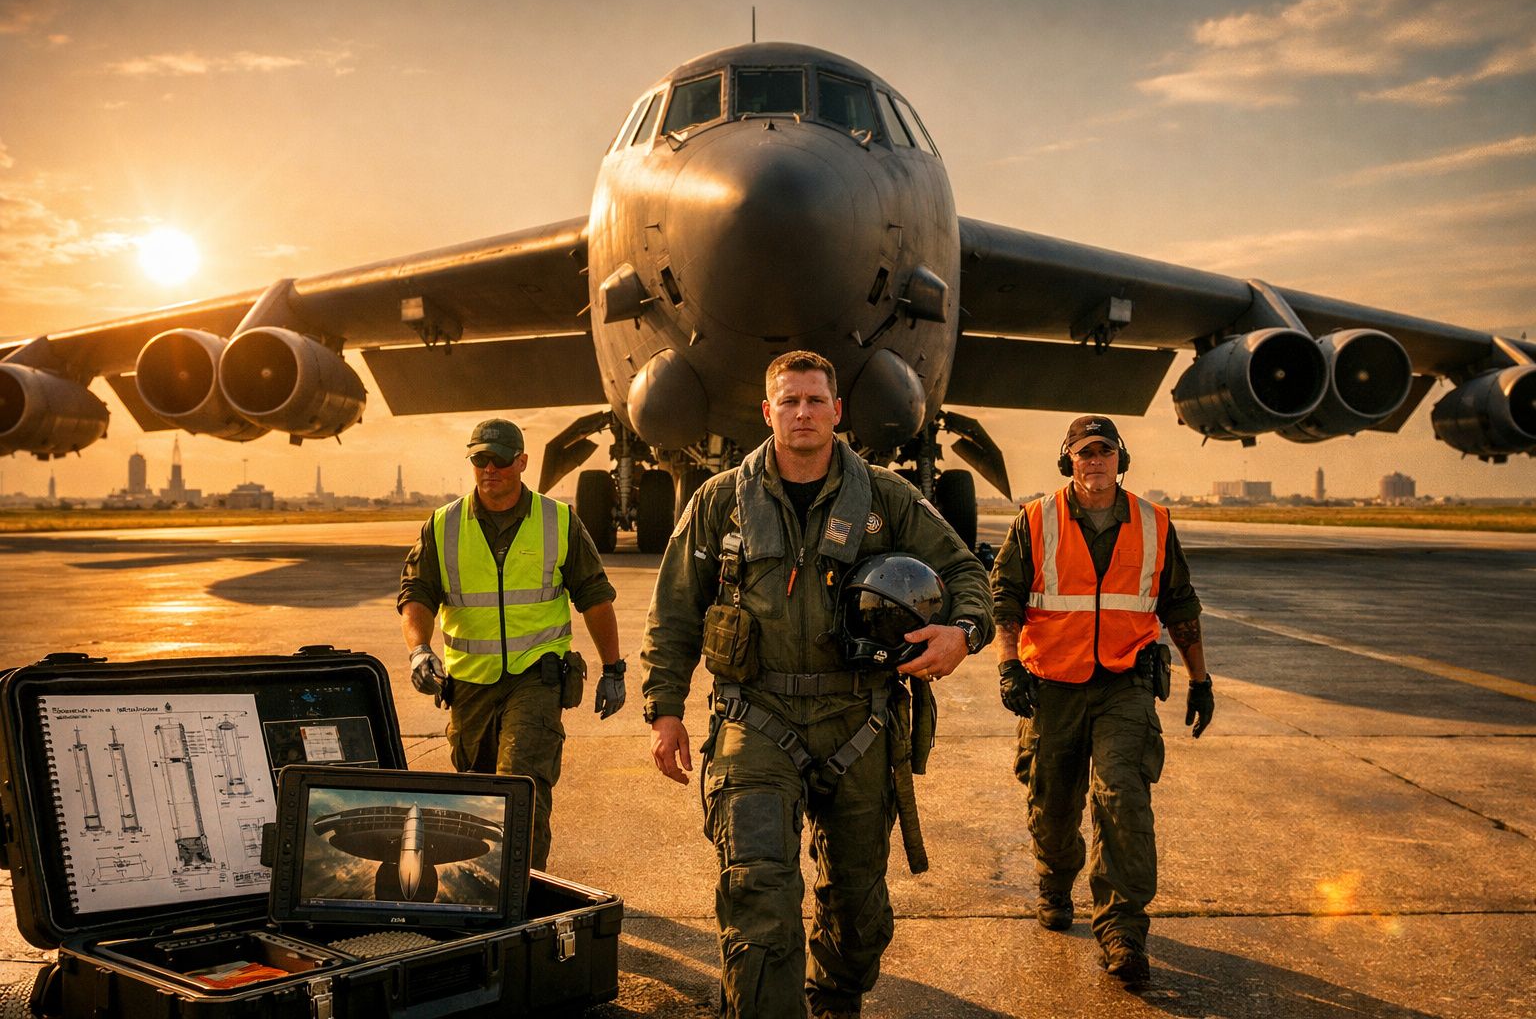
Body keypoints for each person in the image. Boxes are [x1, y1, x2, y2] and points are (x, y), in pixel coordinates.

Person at [641, 350, 994, 1019]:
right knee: (758, 898)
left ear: (837, 411)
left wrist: (964, 632)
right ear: (767, 412)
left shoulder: (886, 497)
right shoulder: (721, 501)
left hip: (859, 719)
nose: (801, 413)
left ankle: (835, 998)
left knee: (859, 909)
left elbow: (966, 571)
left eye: (814, 401)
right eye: (789, 401)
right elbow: (674, 610)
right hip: (755, 716)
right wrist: (664, 709)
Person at [991, 415, 1213, 987]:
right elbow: (1005, 596)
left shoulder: (1154, 522)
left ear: (1121, 459)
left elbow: (1180, 604)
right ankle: (1054, 879)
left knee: (1123, 797)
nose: (1095, 461)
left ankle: (1122, 930)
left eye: (1105, 451)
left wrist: (1200, 679)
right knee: (1052, 803)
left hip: (1124, 683)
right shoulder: (1035, 519)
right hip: (1051, 684)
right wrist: (1008, 664)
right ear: (1068, 460)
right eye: (1084, 452)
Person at [399, 418, 626, 871]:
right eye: (480, 459)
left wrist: (613, 669)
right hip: (469, 685)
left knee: (522, 784)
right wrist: (419, 649)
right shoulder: (443, 525)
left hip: (536, 679)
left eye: (500, 459)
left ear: (521, 462)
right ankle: (484, 887)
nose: (490, 468)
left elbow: (595, 597)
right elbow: (416, 594)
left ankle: (524, 890)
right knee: (478, 797)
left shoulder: (557, 520)